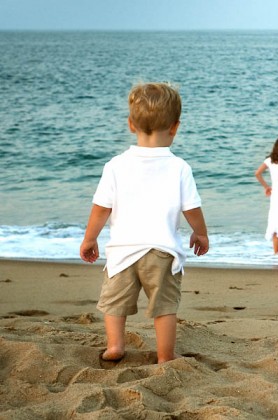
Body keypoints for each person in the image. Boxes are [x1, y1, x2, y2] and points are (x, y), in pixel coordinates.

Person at [79, 82, 209, 364]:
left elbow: (101, 208)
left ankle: (115, 346)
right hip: (162, 250)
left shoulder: (115, 165)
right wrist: (200, 234)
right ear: (175, 127)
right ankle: (165, 355)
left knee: (114, 302)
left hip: (122, 251)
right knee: (165, 307)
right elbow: (192, 208)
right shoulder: (180, 167)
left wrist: (90, 239)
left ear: (130, 124)